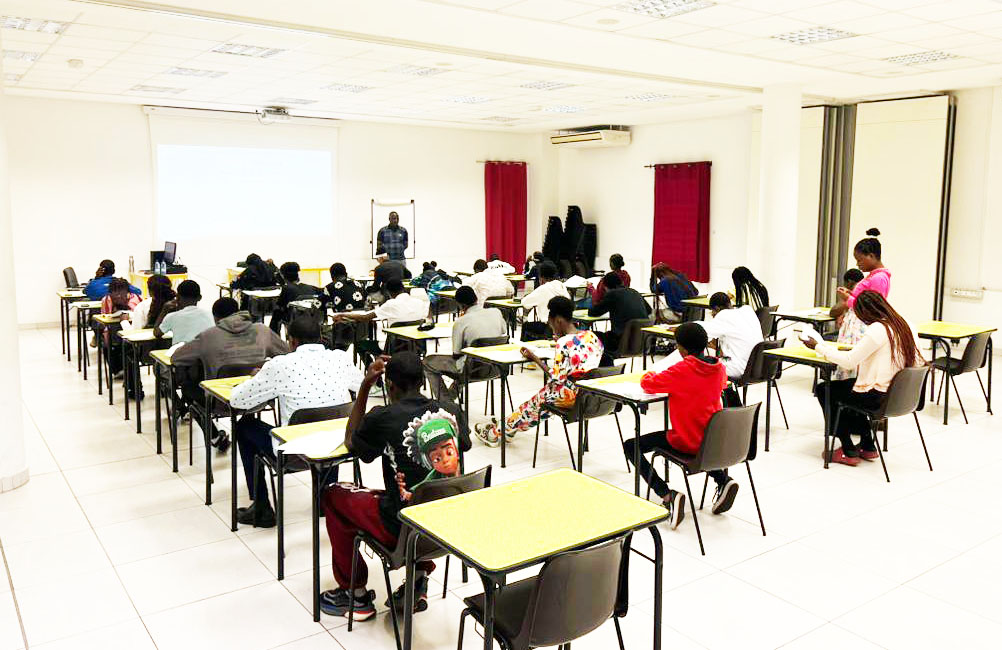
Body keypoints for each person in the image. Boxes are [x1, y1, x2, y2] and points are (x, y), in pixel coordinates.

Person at [319, 352, 471, 619]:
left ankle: (355, 595)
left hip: (403, 528)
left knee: (334, 495)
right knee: (420, 494)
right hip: (447, 526)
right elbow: (465, 444)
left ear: (390, 387)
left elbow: (350, 441)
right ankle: (419, 577)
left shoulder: (383, 416)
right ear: (423, 380)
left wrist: (365, 386)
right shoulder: (452, 411)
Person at [229, 317, 363, 527]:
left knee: (244, 426)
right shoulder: (340, 359)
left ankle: (262, 507)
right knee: (329, 420)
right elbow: (362, 384)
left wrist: (257, 378)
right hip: (340, 447)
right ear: (320, 338)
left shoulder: (280, 365)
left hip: (295, 453)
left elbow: (237, 400)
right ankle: (325, 499)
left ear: (291, 341)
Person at [624, 322, 733, 530]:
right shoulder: (718, 368)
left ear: (680, 349)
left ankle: (667, 495)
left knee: (631, 445)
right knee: (698, 438)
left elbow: (649, 383)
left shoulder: (682, 369)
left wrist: (649, 373)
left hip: (687, 440)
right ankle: (722, 479)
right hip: (713, 440)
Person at [805, 291, 924, 466]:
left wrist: (818, 347)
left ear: (866, 313)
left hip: (879, 398)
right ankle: (868, 445)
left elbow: (849, 362)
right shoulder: (906, 324)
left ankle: (848, 450)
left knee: (826, 390)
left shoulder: (879, 329)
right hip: (902, 396)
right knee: (851, 388)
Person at [477, 296, 602, 446]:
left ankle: (496, 433)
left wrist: (535, 358)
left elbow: (556, 377)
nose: (551, 328)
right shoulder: (592, 336)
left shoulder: (563, 343)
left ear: (558, 321)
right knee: (534, 402)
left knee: (533, 405)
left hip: (570, 396)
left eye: (551, 323)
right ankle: (508, 427)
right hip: (590, 394)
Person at [172, 297, 289, 451]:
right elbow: (287, 354)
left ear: (215, 318)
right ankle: (247, 425)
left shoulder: (208, 336)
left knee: (189, 388)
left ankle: (214, 436)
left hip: (221, 403)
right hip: (259, 398)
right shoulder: (262, 330)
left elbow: (176, 358)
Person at [423, 285, 507, 402]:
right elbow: (504, 333)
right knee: (467, 360)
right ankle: (450, 398)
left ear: (460, 305)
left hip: (472, 370)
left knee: (428, 362)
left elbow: (456, 353)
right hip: (497, 367)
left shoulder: (461, 322)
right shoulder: (496, 312)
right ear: (476, 298)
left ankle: (446, 403)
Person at [587, 271, 650, 360]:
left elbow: (593, 312)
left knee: (590, 335)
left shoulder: (612, 294)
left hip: (621, 342)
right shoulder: (635, 292)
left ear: (605, 287)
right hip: (642, 343)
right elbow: (649, 310)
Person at [97, 277, 143, 374]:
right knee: (107, 343)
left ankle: (126, 370)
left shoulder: (135, 299)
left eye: (121, 293)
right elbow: (104, 319)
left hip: (132, 330)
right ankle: (117, 370)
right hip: (113, 331)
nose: (118, 296)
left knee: (126, 346)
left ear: (127, 292)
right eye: (114, 293)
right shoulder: (106, 300)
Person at [829, 269, 867, 382]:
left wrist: (845, 299)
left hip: (853, 336)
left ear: (849, 282)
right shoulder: (865, 291)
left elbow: (834, 311)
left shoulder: (855, 292)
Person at [840, 228, 891, 310]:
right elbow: (864, 300)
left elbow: (873, 308)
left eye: (859, 260)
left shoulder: (879, 278)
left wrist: (848, 299)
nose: (857, 264)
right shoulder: (873, 276)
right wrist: (850, 293)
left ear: (871, 256)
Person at [519, 261, 569, 340]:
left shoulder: (543, 288)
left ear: (541, 277)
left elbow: (525, 303)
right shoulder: (562, 286)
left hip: (549, 328)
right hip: (565, 326)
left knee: (526, 326)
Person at [154, 280, 214, 345]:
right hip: (207, 353)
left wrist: (164, 310)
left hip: (182, 354)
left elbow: (157, 333)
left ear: (178, 297)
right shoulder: (211, 315)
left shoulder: (172, 316)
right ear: (199, 298)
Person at [269, 262, 321, 334]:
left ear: (283, 276)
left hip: (295, 321)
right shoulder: (311, 288)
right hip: (313, 320)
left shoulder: (286, 289)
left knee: (277, 312)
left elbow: (280, 306)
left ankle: (274, 338)